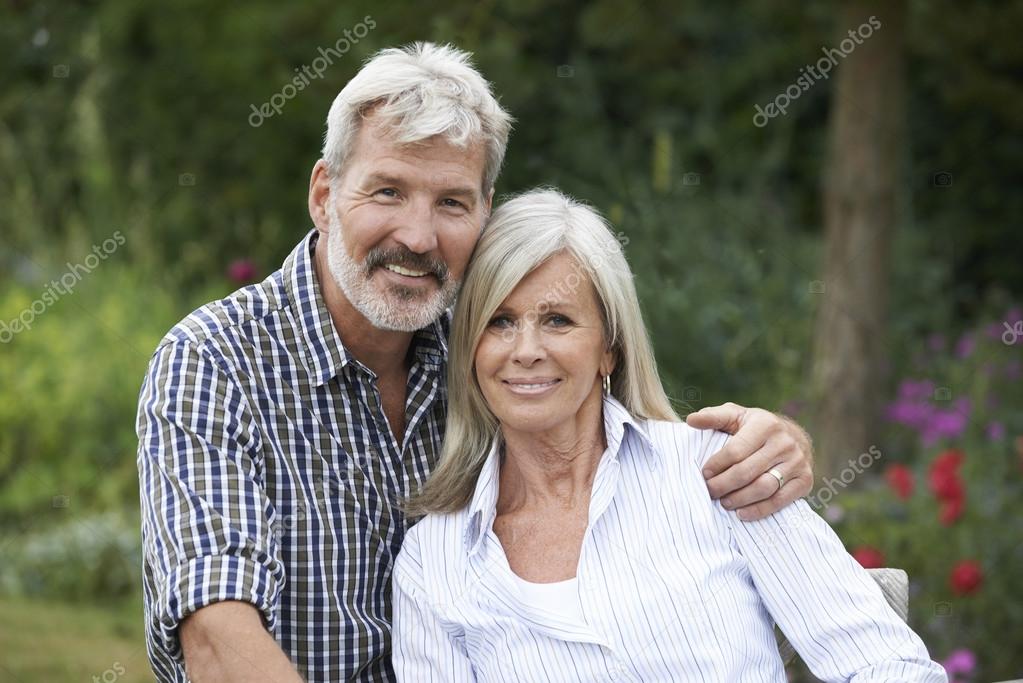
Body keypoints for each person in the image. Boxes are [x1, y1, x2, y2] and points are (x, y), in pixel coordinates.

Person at [136, 43, 815, 682]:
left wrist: (776, 444)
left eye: (451, 202)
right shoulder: (215, 363)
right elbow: (217, 639)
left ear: (484, 214)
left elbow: (621, 452)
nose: (417, 235)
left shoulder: (491, 350)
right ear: (323, 194)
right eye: (387, 192)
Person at [391, 189, 947, 682]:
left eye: (558, 320)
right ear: (470, 349)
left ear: (609, 346)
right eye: (500, 321)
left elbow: (885, 663)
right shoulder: (433, 558)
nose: (527, 349)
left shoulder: (719, 473)